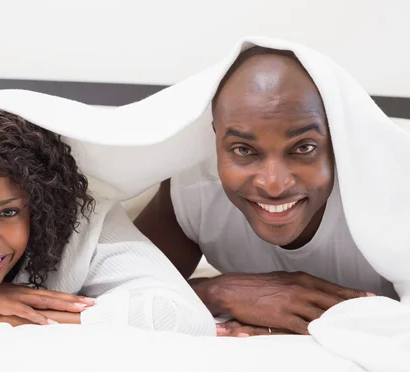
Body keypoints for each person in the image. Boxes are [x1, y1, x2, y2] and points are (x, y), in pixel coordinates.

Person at [0, 98, 213, 335]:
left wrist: (11, 317)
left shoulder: (82, 221)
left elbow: (184, 317)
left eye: (9, 212)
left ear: (40, 204)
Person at [134, 46, 398, 337]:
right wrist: (219, 291)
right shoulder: (193, 189)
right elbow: (119, 288)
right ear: (215, 138)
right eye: (244, 150)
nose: (273, 184)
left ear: (337, 140)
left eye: (304, 148)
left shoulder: (392, 193)